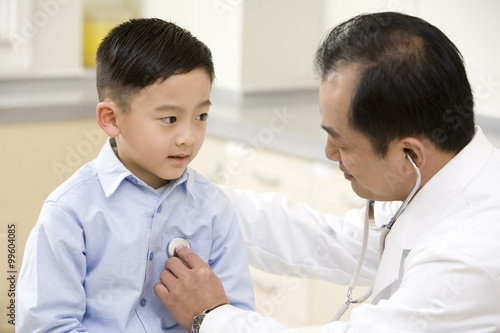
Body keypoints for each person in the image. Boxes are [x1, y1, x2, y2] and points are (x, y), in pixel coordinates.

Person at [154, 11, 500, 332]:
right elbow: (327, 241)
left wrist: (211, 316)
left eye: (342, 144)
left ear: (409, 153)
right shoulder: (437, 179)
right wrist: (197, 199)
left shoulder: (469, 257)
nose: (329, 153)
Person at [16, 18, 254, 332]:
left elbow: (237, 319)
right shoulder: (70, 212)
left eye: (201, 116)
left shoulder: (213, 209)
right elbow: (45, 326)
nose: (188, 137)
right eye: (170, 118)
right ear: (111, 118)